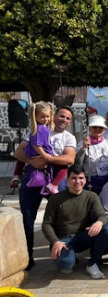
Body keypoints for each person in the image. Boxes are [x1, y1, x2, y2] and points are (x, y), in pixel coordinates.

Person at [16, 106, 77, 270]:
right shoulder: (38, 130)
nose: (63, 120)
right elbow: (18, 152)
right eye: (61, 116)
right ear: (53, 116)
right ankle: (27, 258)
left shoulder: (69, 137)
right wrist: (32, 160)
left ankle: (63, 253)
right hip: (33, 179)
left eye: (67, 118)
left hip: (56, 180)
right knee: (27, 220)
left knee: (64, 217)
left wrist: (47, 160)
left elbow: (69, 158)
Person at [42, 165, 108, 279]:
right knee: (66, 266)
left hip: (82, 237)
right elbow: (46, 224)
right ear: (67, 180)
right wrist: (55, 241)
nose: (77, 181)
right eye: (74, 178)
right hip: (63, 240)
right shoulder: (56, 199)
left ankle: (93, 263)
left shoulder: (91, 196)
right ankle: (68, 257)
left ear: (85, 180)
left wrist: (98, 223)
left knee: (106, 229)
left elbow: (102, 216)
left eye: (81, 178)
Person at [23, 101, 65, 195]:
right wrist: (44, 155)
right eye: (42, 117)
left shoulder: (42, 128)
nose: (46, 119)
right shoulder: (40, 129)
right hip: (43, 154)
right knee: (64, 167)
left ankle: (50, 185)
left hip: (42, 154)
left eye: (48, 116)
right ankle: (53, 185)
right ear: (35, 116)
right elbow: (36, 144)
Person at [75, 115, 108, 195]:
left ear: (104, 129)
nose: (97, 129)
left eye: (100, 127)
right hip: (91, 183)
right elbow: (77, 163)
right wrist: (83, 148)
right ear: (89, 128)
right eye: (94, 127)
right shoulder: (82, 144)